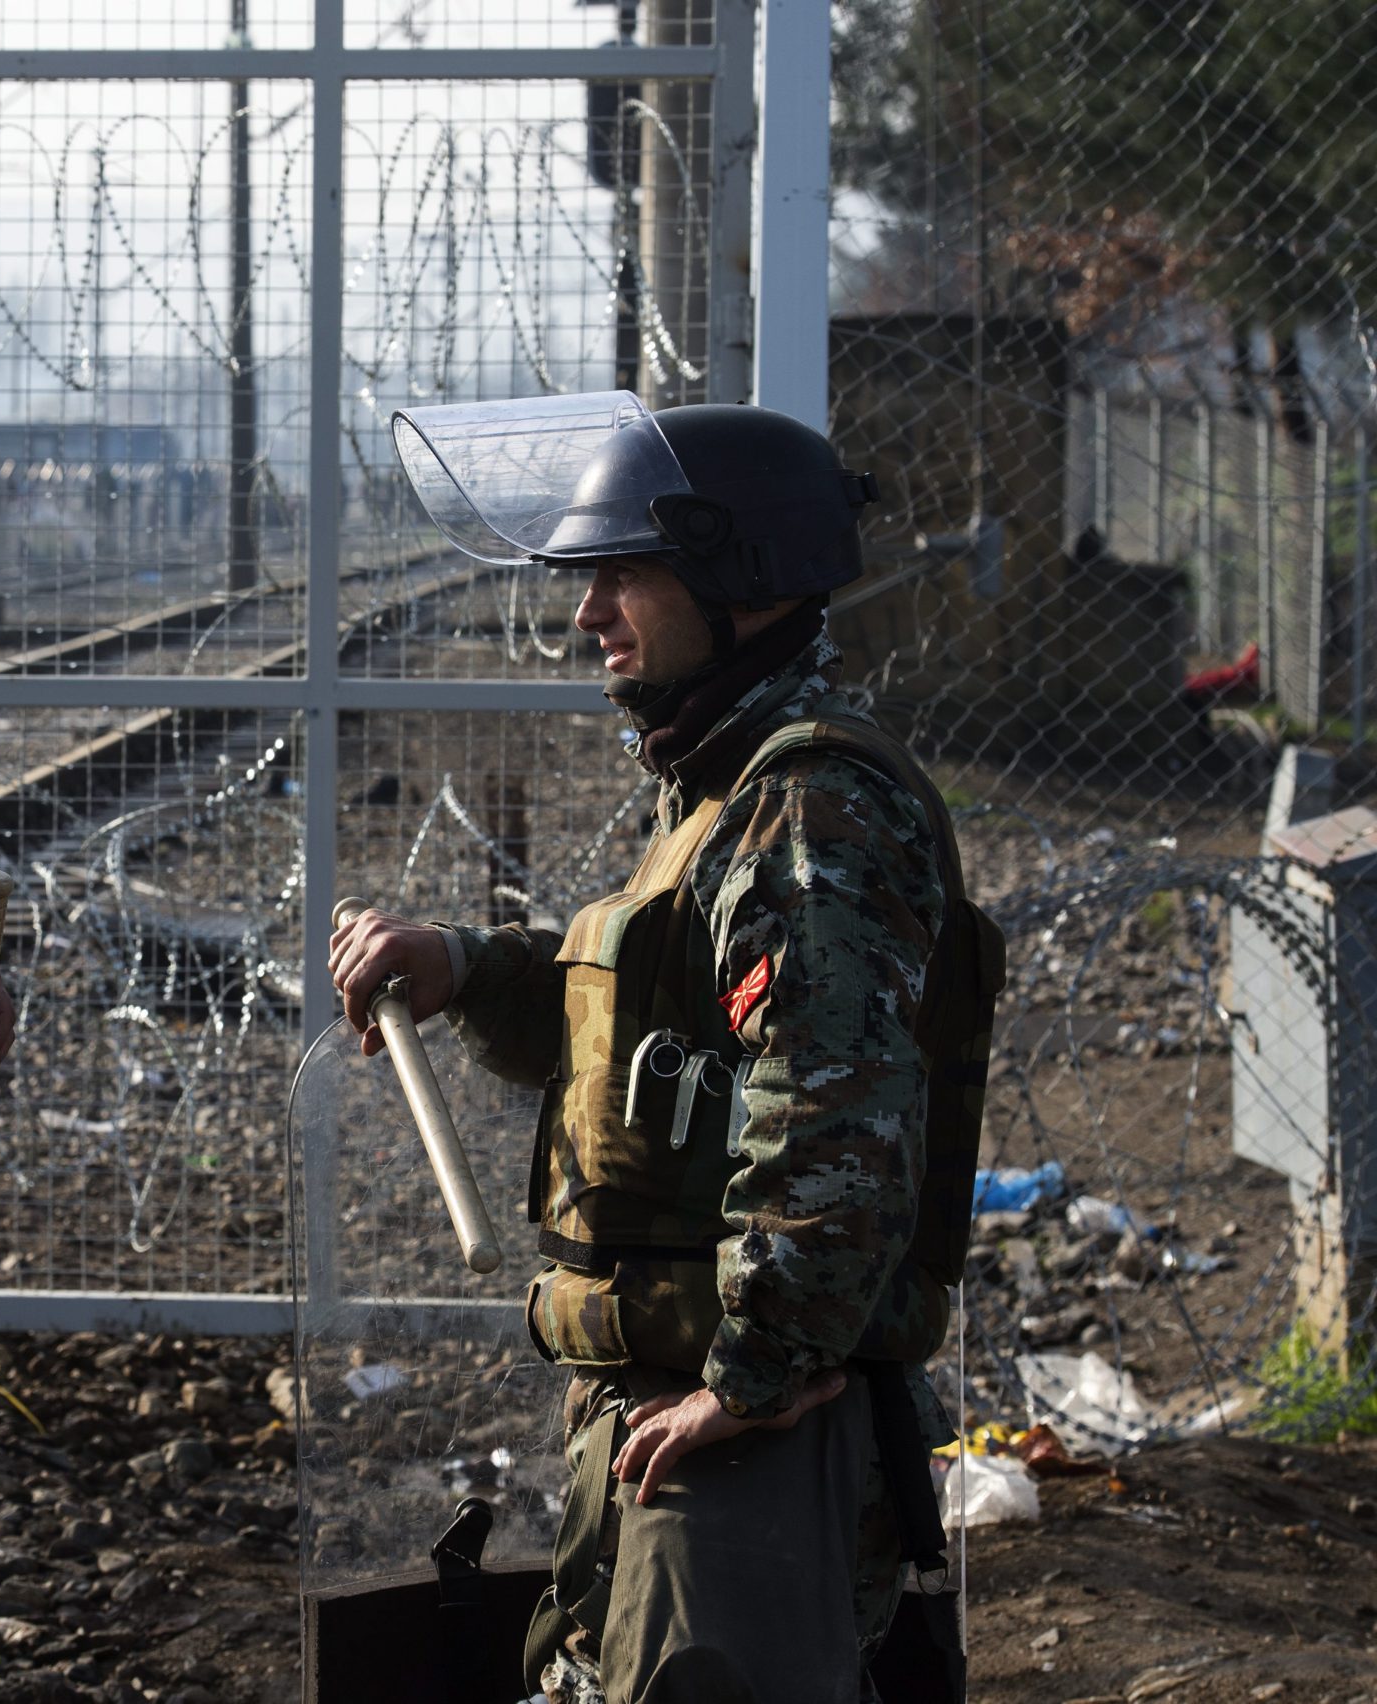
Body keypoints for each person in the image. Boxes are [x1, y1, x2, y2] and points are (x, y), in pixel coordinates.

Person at [331, 395, 998, 1703]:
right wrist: (464, 965)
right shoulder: (725, 789)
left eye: (623, 574)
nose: (589, 614)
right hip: (690, 1408)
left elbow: (835, 1119)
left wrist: (757, 1375)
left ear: (739, 577)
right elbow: (646, 1042)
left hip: (748, 1438)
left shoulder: (808, 807)